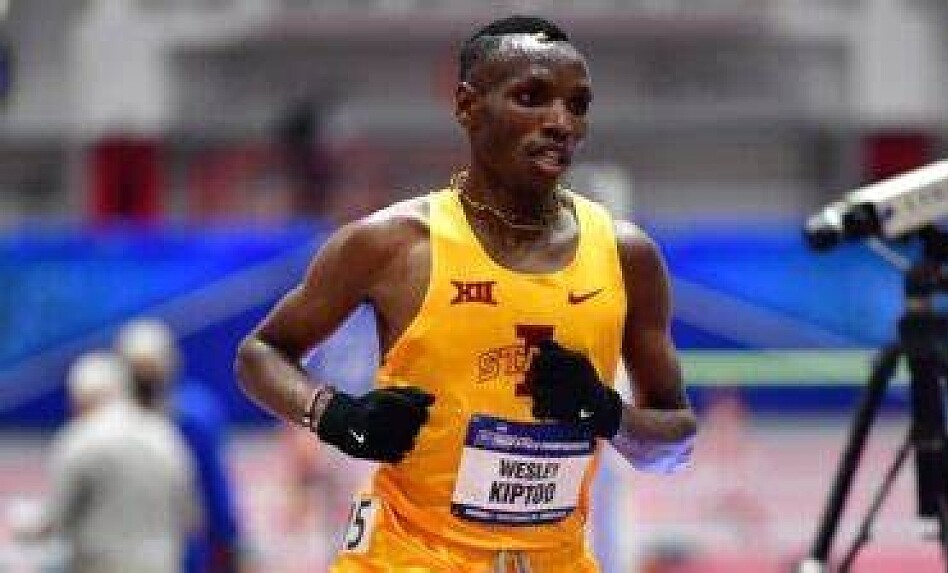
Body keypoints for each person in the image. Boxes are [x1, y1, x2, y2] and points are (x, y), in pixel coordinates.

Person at [235, 15, 697, 572]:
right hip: (406, 559)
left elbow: (674, 444)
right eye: (532, 97)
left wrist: (606, 412)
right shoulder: (393, 245)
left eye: (577, 105)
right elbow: (260, 353)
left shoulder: (627, 256)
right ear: (467, 105)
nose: (560, 122)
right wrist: (334, 415)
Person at [18, 351, 197, 573]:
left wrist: (25, 528)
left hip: (100, 563)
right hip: (162, 562)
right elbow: (189, 513)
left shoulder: (78, 439)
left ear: (79, 398)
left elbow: (58, 517)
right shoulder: (163, 433)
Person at [115, 319, 243, 573]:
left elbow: (213, 486)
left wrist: (228, 539)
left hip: (180, 548)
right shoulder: (192, 414)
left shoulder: (193, 417)